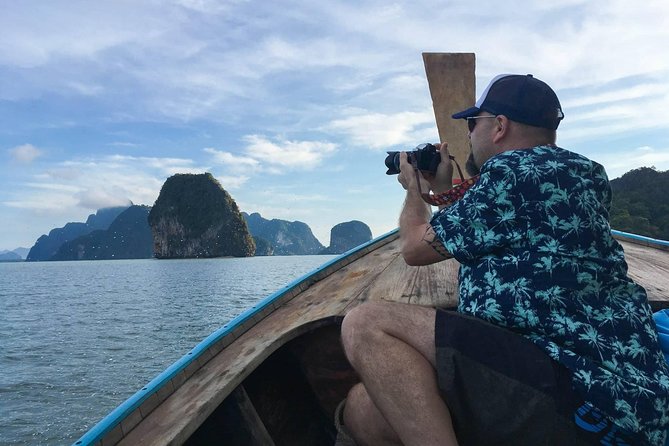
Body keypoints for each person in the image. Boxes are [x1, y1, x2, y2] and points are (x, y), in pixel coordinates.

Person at [338, 74, 669, 445]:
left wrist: (415, 189)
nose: (467, 134)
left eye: (471, 123)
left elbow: (414, 249)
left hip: (577, 397)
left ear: (499, 126)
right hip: (619, 388)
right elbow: (495, 224)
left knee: (365, 324)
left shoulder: (510, 173)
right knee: (366, 407)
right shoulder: (584, 174)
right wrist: (446, 190)